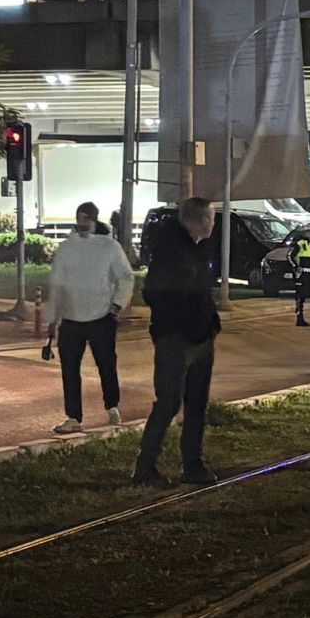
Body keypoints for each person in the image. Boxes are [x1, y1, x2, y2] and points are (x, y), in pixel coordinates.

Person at [132, 197, 220, 488]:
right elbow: (156, 293)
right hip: (177, 340)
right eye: (211, 218)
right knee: (168, 403)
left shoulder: (194, 248)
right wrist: (179, 324)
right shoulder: (171, 250)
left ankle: (193, 464)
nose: (214, 224)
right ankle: (145, 467)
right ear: (201, 220)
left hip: (200, 337)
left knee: (196, 405)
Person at [48, 199, 133, 435]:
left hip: (101, 316)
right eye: (80, 218)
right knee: (70, 370)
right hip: (72, 318)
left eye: (87, 218)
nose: (82, 223)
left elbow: (125, 277)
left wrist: (116, 305)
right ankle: (73, 416)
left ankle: (112, 406)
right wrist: (53, 319)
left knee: (106, 365)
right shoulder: (66, 248)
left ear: (94, 220)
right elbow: (57, 285)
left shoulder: (108, 246)